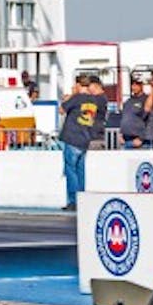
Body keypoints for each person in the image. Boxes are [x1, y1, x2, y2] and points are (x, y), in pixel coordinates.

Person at [58, 75, 105, 210]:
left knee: (71, 170)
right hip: (85, 138)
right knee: (80, 171)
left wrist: (72, 95)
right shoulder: (94, 101)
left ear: (79, 85)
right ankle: (82, 199)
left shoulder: (77, 97)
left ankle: (73, 200)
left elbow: (61, 110)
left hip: (72, 137)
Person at [119, 78, 150, 148]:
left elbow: (150, 121)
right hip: (125, 139)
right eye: (132, 84)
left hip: (140, 141)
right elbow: (124, 118)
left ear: (142, 85)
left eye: (137, 84)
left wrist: (142, 138)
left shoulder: (146, 100)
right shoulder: (128, 101)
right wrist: (121, 134)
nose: (134, 87)